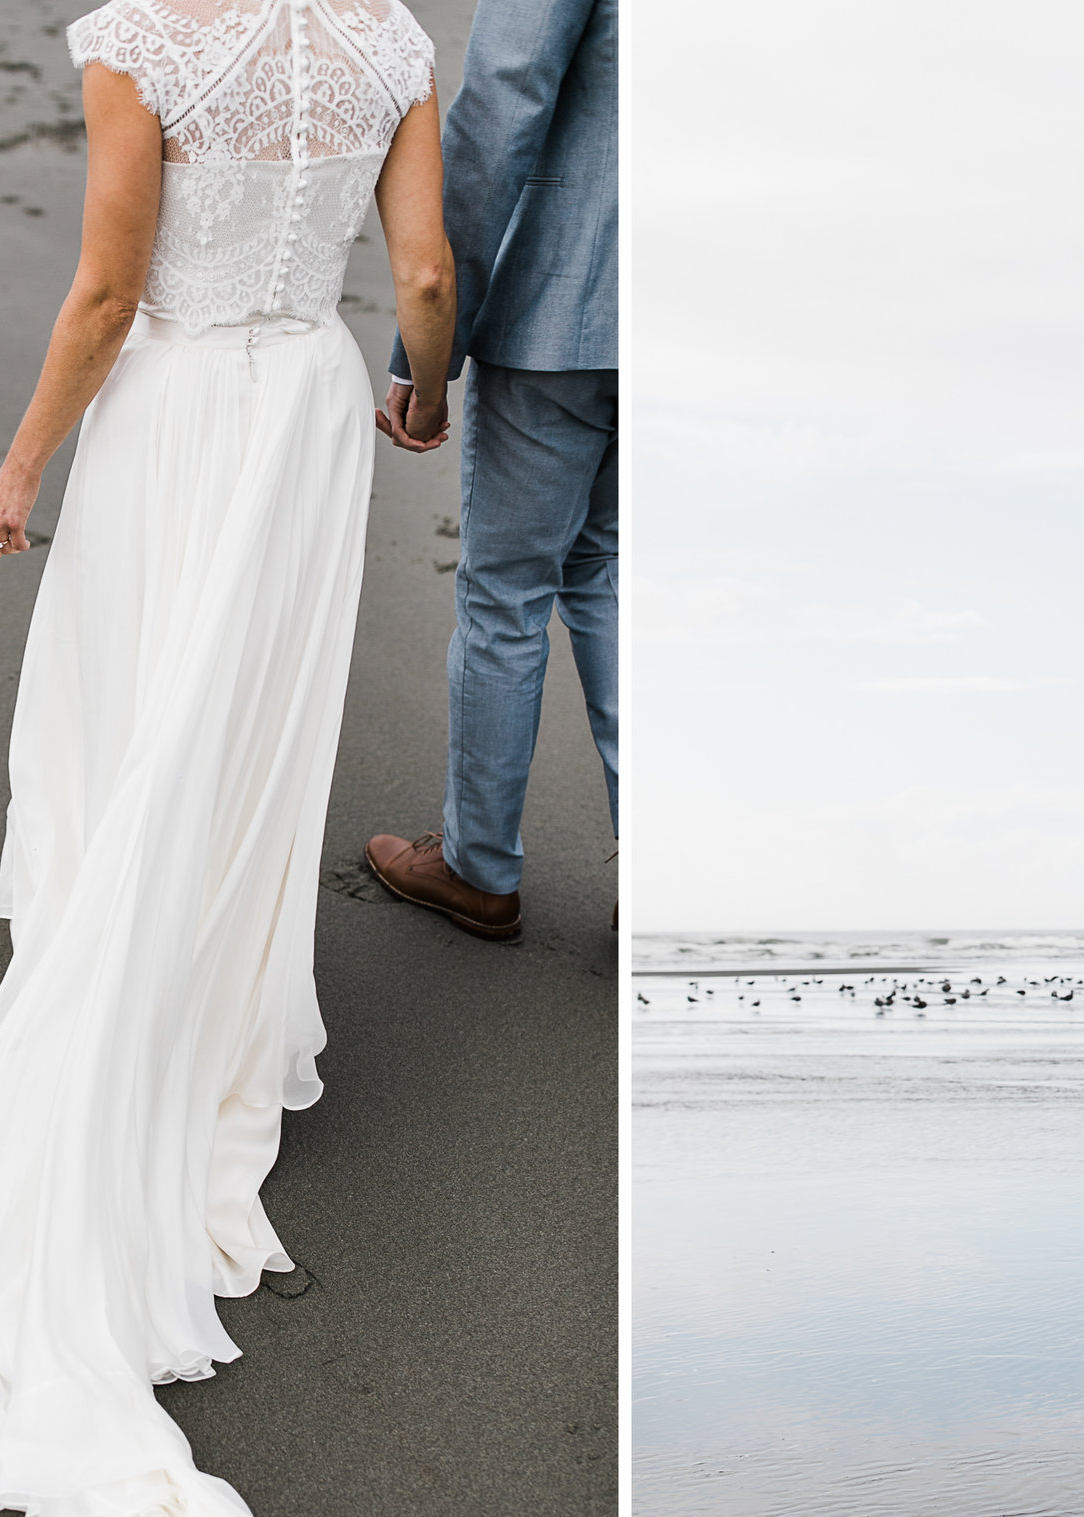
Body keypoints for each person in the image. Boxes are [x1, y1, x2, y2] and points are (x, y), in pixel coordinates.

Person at [0, 0, 451, 1517]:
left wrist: (16, 466)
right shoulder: (392, 44)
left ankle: (108, 956)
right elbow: (422, 272)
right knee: (248, 739)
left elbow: (106, 290)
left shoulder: (141, 39)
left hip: (173, 415)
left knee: (131, 700)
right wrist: (416, 384)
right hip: (300, 409)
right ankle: (211, 993)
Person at [363, 0, 619, 941]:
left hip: (569, 299)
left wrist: (431, 345)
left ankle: (478, 867)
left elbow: (504, 102)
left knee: (508, 590)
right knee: (615, 571)